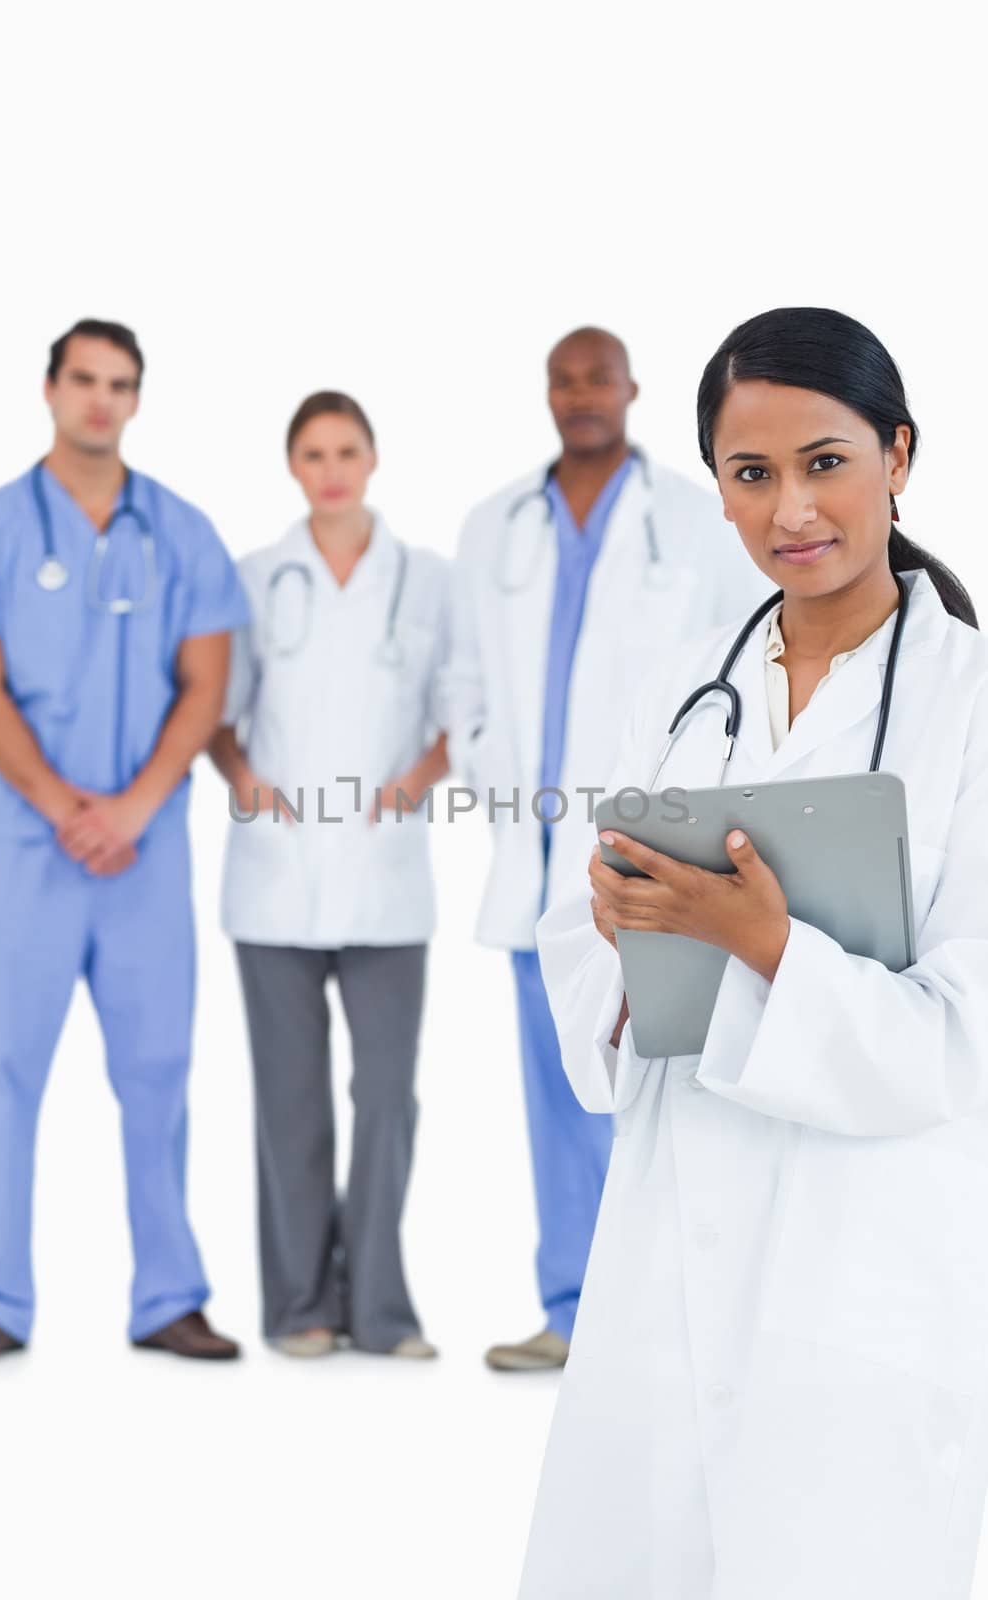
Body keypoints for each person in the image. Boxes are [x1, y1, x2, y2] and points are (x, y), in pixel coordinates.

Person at [518, 307, 988, 1598]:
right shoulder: (678, 694)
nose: (790, 508)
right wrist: (618, 944)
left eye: (824, 462)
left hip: (863, 1281)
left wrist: (767, 950)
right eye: (749, 473)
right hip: (662, 1269)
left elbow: (963, 1038)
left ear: (897, 455)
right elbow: (580, 937)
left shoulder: (966, 707)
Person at [444, 326, 769, 1371]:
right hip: (534, 853)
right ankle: (572, 1311)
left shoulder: (688, 516)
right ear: (545, 393)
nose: (580, 393)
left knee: (673, 1080)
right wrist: (504, 789)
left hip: (662, 852)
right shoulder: (491, 524)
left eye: (599, 377)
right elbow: (462, 684)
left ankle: (672, 1319)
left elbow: (738, 666)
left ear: (630, 389)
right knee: (556, 1092)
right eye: (562, 378)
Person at [0, 319, 247, 1363]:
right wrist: (68, 807)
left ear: (137, 399)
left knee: (157, 1069)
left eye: (120, 384)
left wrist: (135, 806)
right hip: (29, 851)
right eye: (84, 380)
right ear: (51, 389)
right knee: (7, 1068)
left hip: (143, 855)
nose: (100, 399)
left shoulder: (183, 531)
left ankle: (167, 1297)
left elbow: (205, 686)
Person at [209, 391, 448, 1360]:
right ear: (292, 467)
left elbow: (452, 712)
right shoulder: (256, 578)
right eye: (313, 452)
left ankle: (383, 1309)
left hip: (386, 877)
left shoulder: (425, 580)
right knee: (289, 1100)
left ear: (374, 456)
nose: (332, 467)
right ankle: (301, 1303)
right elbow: (217, 714)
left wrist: (411, 786)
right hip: (273, 877)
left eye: (346, 448)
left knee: (387, 1096)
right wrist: (246, 785)